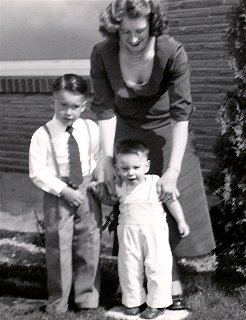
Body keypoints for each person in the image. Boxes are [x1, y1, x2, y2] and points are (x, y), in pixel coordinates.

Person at [90, 0, 216, 310]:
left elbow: (181, 113)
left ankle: (169, 281)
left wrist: (172, 170)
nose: (133, 38)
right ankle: (132, 282)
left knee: (167, 208)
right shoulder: (102, 54)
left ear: (153, 24)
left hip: (169, 135)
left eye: (140, 31)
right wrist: (107, 160)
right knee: (133, 208)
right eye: (125, 32)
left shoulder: (172, 52)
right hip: (127, 137)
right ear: (115, 28)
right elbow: (105, 109)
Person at [90, 139, 190, 319]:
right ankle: (133, 302)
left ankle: (157, 303)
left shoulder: (155, 182)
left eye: (136, 167)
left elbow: (171, 201)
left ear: (146, 166)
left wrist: (181, 221)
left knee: (157, 266)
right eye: (124, 168)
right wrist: (100, 194)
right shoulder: (120, 185)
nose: (130, 173)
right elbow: (112, 201)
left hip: (154, 233)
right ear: (117, 168)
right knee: (129, 267)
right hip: (128, 233)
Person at [29, 74, 102, 313]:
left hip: (86, 190)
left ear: (84, 105)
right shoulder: (42, 135)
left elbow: (98, 158)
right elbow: (37, 172)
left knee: (89, 242)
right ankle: (59, 301)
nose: (68, 112)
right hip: (57, 193)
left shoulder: (91, 128)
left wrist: (98, 180)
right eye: (62, 105)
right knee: (58, 245)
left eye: (74, 106)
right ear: (52, 100)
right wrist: (64, 191)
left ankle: (87, 299)